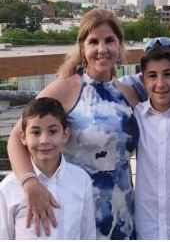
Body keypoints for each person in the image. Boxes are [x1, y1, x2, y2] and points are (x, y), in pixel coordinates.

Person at [7, 9, 140, 239]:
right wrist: (30, 184)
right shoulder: (66, 88)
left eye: (109, 40)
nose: (102, 49)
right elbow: (16, 138)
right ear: (82, 48)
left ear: (120, 45)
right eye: (93, 42)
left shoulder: (129, 94)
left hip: (123, 212)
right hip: (75, 209)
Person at [0, 97, 97, 239]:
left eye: (52, 131)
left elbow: (88, 235)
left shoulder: (81, 180)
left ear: (65, 135)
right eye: (35, 132)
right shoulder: (8, 187)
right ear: (22, 137)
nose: (44, 140)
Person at [134, 38, 170, 239]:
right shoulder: (135, 116)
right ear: (142, 80)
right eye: (152, 76)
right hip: (146, 228)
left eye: (168, 74)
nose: (160, 84)